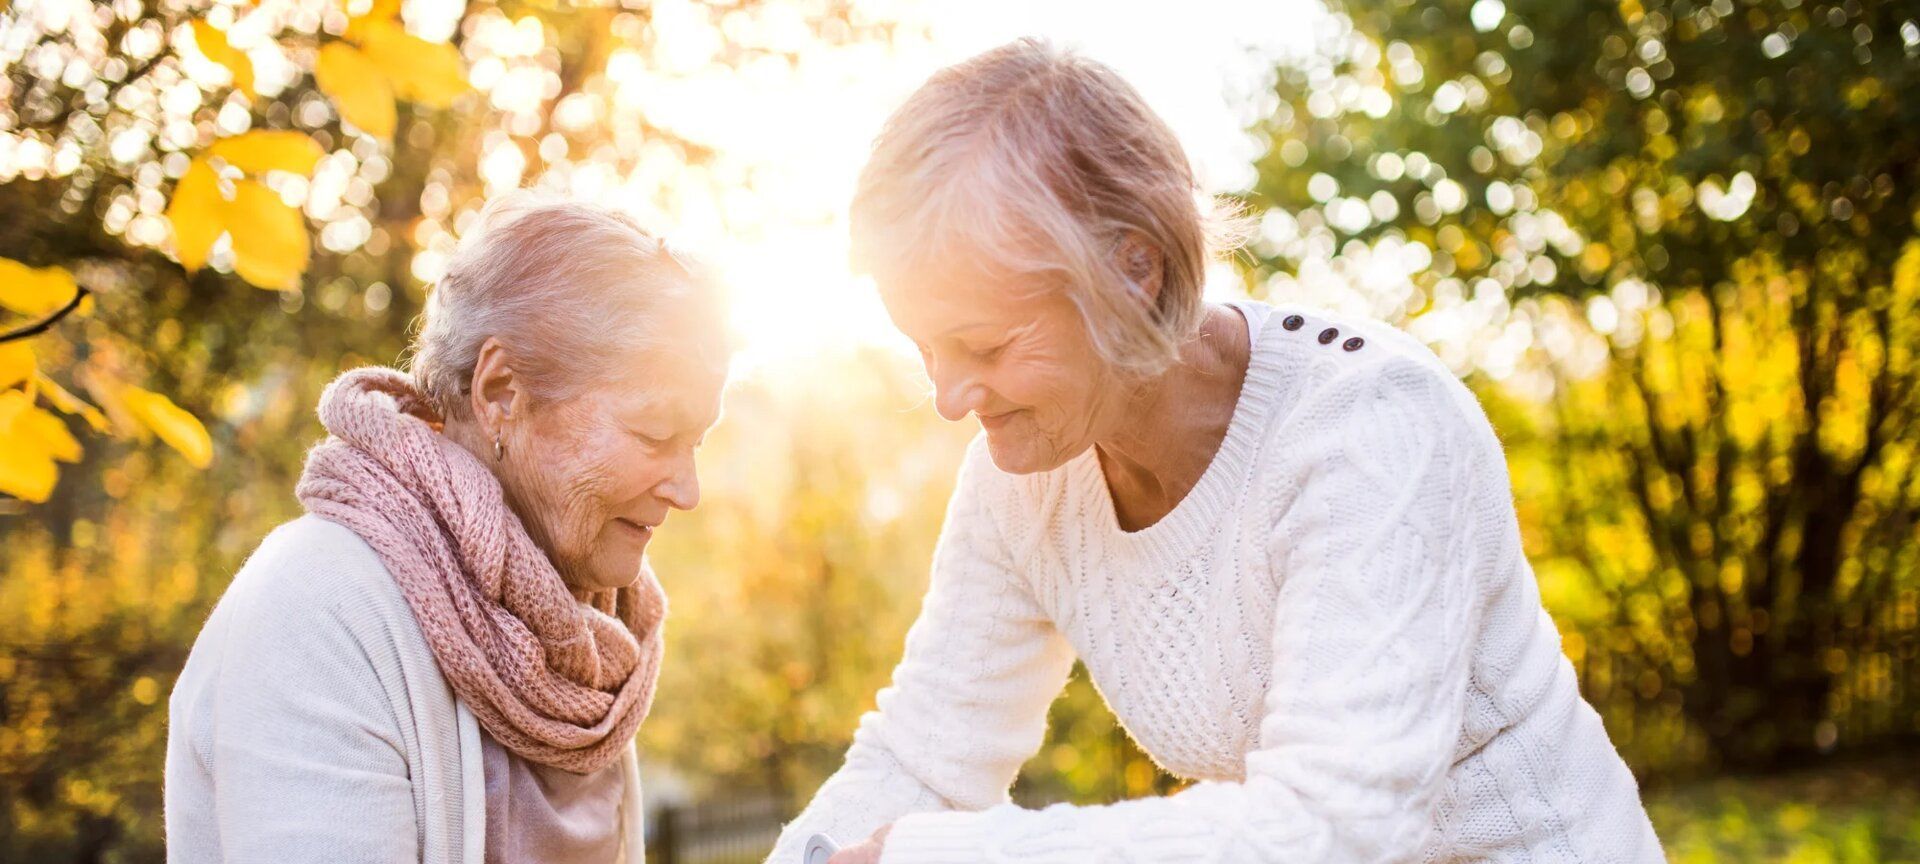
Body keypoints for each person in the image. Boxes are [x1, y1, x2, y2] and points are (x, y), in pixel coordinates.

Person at [771, 39, 1664, 863]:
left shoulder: (1371, 429)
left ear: (1134, 268)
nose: (949, 398)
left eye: (987, 346)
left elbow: (1335, 826)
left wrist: (921, 855)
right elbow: (928, 756)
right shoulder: (1026, 479)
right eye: (923, 348)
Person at [166, 194, 730, 864]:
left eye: (694, 441)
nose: (687, 490)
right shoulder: (318, 611)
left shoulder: (584, 639)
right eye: (655, 433)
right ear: (500, 393)